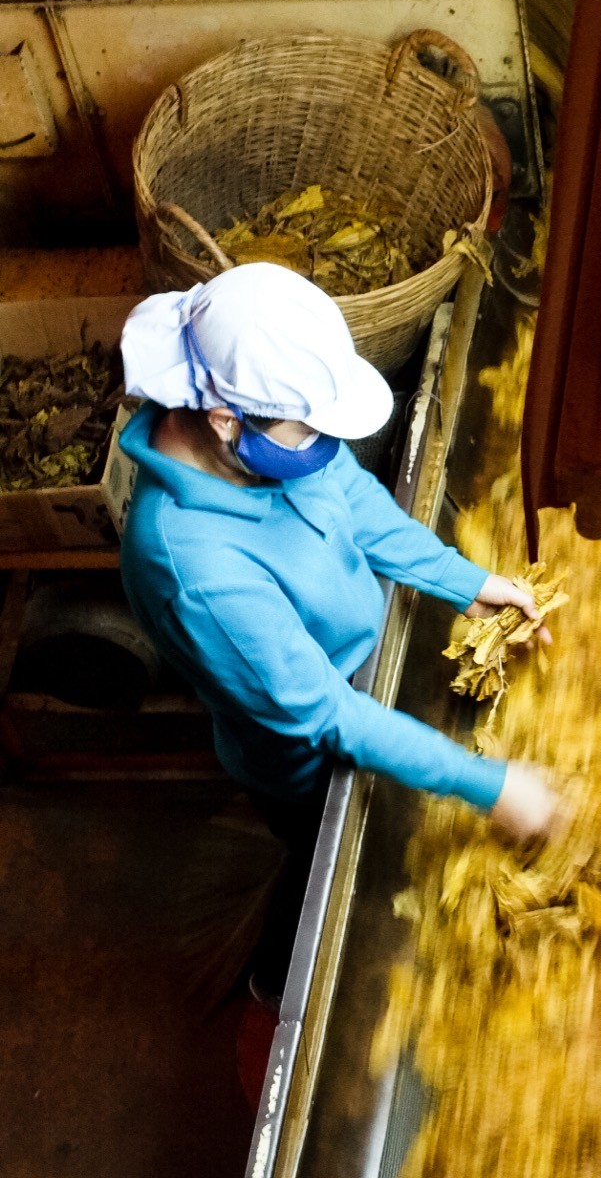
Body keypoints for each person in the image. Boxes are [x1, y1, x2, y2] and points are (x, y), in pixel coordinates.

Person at [118, 262, 560, 1015]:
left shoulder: (270, 442)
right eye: (307, 431)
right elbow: (329, 717)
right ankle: (274, 980)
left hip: (355, 670)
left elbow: (351, 498)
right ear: (225, 419)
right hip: (304, 755)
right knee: (317, 858)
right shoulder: (193, 567)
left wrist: (464, 582)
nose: (321, 446)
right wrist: (491, 786)